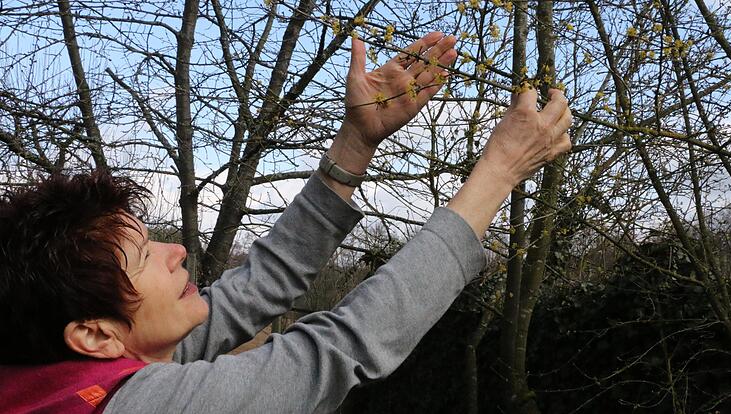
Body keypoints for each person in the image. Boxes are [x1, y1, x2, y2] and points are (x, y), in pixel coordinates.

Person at [0, 32, 571, 413]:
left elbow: (264, 282)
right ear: (94, 334)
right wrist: (498, 172)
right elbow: (341, 348)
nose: (175, 250)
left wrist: (355, 142)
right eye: (145, 256)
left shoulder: (69, 373)